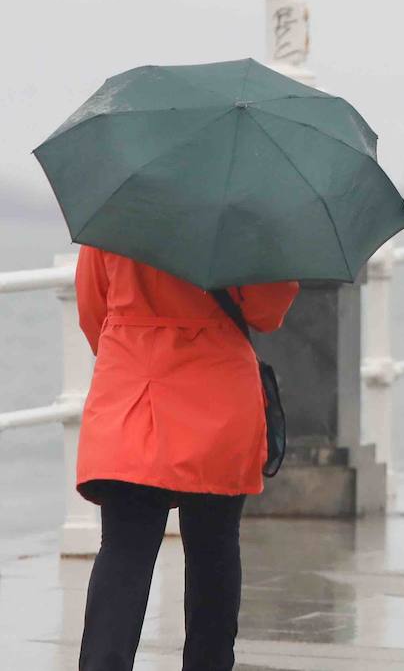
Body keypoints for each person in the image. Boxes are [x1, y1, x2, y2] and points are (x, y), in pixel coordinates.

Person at [75, 246, 299, 671]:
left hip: (133, 391)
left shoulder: (121, 201)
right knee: (213, 545)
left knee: (124, 547)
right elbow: (268, 311)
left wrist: (133, 340)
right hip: (218, 394)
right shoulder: (243, 213)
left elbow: (91, 308)